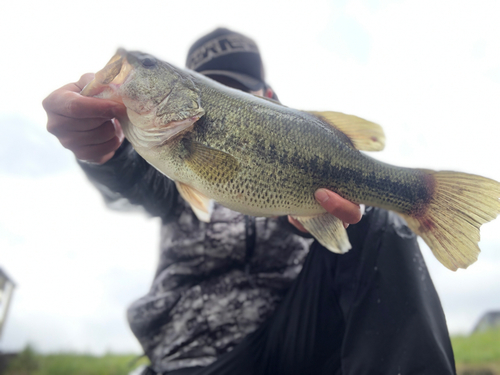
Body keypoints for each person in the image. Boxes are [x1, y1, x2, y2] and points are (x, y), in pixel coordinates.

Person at [43, 28, 456, 374]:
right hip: (192, 359)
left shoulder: (300, 147)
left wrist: (325, 219)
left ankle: (420, 197)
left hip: (292, 345)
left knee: (375, 222)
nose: (223, 98)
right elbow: (131, 178)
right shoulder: (163, 168)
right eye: (211, 87)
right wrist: (102, 151)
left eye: (236, 91)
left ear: (269, 97)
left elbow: (331, 234)